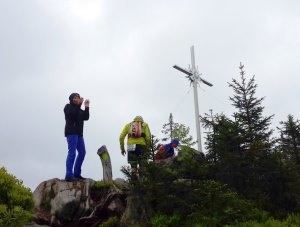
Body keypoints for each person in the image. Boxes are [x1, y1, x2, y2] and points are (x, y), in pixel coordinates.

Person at [64, 93, 90, 182]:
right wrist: (79, 104)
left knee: (82, 152)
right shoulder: (67, 107)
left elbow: (86, 117)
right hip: (71, 133)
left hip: (79, 134)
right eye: (75, 98)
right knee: (72, 152)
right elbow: (72, 114)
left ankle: (76, 174)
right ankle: (68, 174)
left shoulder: (79, 109)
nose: (76, 99)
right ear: (71, 99)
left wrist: (86, 107)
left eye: (78, 98)